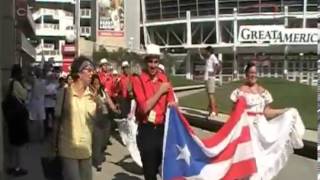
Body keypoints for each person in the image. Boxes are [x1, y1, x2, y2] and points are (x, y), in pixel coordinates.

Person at [229, 62, 305, 179]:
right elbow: (234, 112)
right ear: (246, 74)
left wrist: (285, 110)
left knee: (260, 159)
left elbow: (267, 112)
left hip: (261, 127)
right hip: (245, 128)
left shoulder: (263, 91)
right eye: (250, 73)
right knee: (248, 158)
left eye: (255, 73)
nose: (253, 75)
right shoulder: (240, 91)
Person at [132, 44, 176, 180]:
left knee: (164, 168)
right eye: (150, 61)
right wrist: (160, 91)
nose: (153, 65)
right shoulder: (138, 80)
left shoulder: (164, 79)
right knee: (150, 172)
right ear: (145, 62)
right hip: (147, 130)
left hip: (163, 130)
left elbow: (172, 104)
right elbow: (144, 108)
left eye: (156, 61)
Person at [53, 56, 96, 180]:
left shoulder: (92, 95)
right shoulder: (65, 93)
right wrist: (53, 146)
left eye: (92, 70)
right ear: (78, 73)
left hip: (86, 149)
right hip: (68, 149)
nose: (91, 73)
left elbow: (96, 121)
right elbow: (57, 120)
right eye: (88, 70)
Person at [3, 64, 29, 177]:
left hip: (9, 116)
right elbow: (24, 96)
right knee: (18, 144)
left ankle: (10, 166)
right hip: (17, 117)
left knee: (11, 143)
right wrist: (23, 84)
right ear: (19, 73)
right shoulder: (17, 83)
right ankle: (17, 168)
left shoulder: (7, 82)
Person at [90, 74, 119, 171]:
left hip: (106, 118)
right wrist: (95, 97)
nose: (96, 83)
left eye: (98, 81)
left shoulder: (103, 91)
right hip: (96, 118)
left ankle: (98, 153)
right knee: (97, 140)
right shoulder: (89, 91)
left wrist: (114, 109)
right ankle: (97, 162)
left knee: (105, 140)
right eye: (94, 82)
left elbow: (109, 101)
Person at [199, 46, 222, 120]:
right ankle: (212, 110)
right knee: (209, 95)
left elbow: (217, 64)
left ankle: (214, 111)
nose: (205, 52)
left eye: (206, 51)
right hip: (206, 78)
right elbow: (202, 58)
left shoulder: (212, 56)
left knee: (211, 94)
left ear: (209, 51)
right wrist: (199, 51)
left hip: (210, 78)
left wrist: (214, 73)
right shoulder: (208, 58)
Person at [28, 68, 46, 142]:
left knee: (38, 121)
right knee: (34, 121)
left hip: (39, 104)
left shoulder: (42, 81)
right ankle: (36, 137)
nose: (40, 73)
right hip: (35, 103)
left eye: (40, 72)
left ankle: (39, 137)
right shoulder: (35, 81)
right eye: (39, 72)